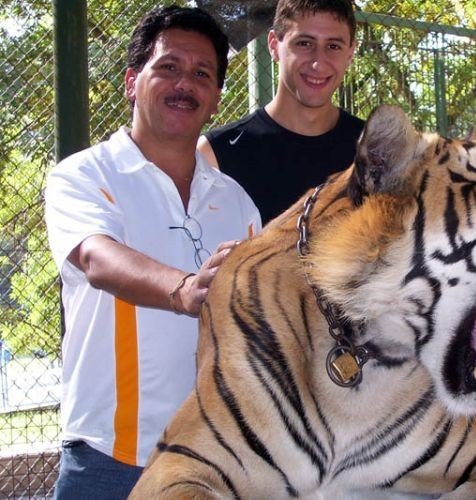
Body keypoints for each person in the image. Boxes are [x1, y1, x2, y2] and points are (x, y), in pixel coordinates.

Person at [44, 6, 261, 498]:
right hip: (110, 460)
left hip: (215, 462)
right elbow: (98, 259)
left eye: (202, 73)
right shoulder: (83, 176)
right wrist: (185, 289)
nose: (185, 83)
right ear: (130, 81)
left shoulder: (236, 201)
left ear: (215, 100)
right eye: (168, 67)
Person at [198, 0, 364, 223]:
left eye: (333, 46)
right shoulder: (216, 155)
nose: (318, 63)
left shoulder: (374, 150)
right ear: (274, 45)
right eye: (304, 43)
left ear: (350, 53)